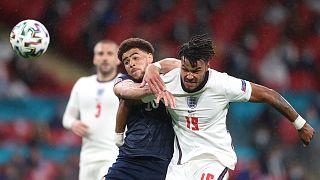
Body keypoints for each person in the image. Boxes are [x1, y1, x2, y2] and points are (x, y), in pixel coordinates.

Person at [119, 35, 315, 179]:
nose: (189, 76)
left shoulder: (222, 84)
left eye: (196, 71)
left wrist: (300, 123)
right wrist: (149, 81)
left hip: (214, 160)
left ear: (207, 67)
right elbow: (126, 96)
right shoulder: (168, 82)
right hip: (180, 164)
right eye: (185, 69)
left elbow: (268, 95)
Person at [104, 38, 175, 180]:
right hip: (129, 158)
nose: (131, 63)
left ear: (150, 57)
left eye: (135, 57)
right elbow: (124, 91)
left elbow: (182, 65)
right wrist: (156, 89)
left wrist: (155, 68)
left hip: (162, 162)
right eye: (126, 62)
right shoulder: (123, 79)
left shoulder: (169, 77)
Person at [62, 40, 121, 180]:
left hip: (114, 155)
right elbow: (67, 117)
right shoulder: (83, 84)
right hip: (87, 158)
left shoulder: (124, 84)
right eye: (101, 53)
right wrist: (73, 124)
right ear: (95, 58)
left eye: (110, 53)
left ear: (118, 59)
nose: (105, 57)